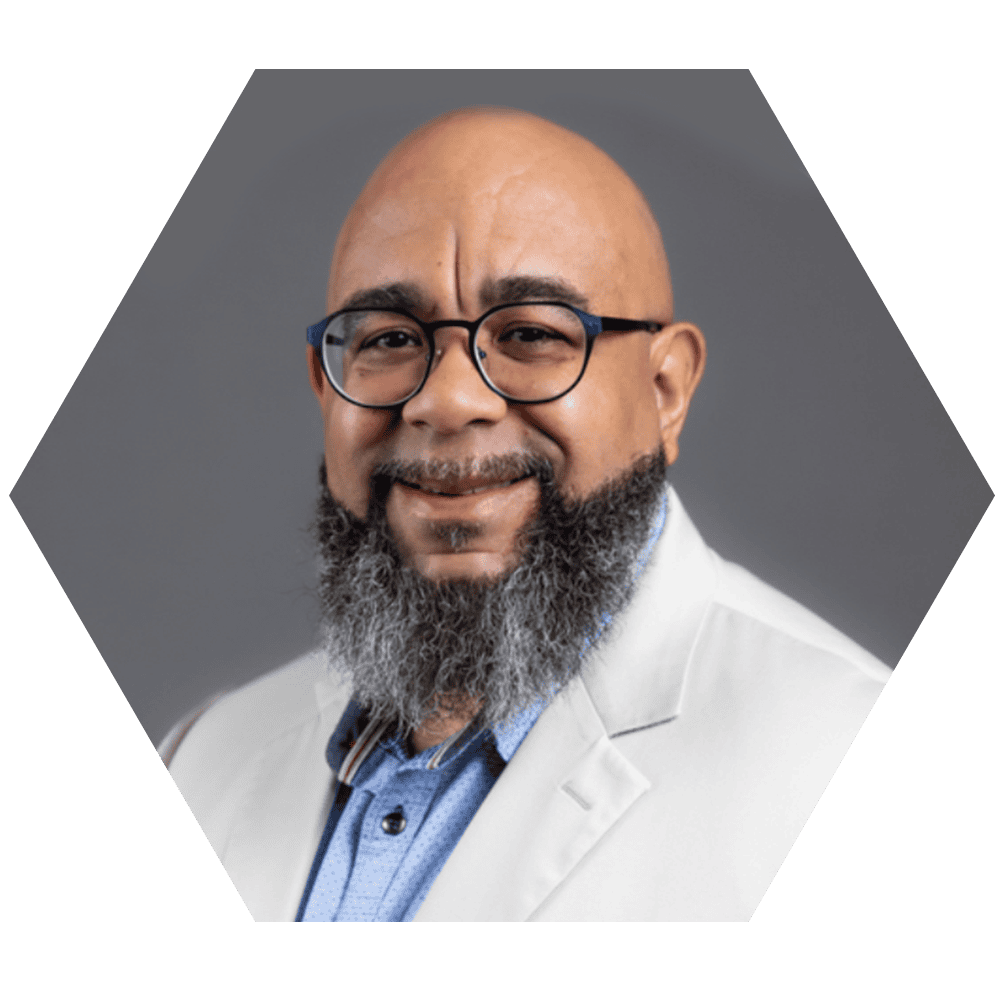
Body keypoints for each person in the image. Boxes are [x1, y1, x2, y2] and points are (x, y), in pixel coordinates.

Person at [162, 108, 890, 922]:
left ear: (666, 391)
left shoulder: (853, 768)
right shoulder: (199, 764)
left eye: (533, 333)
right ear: (326, 385)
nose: (447, 400)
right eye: (389, 339)